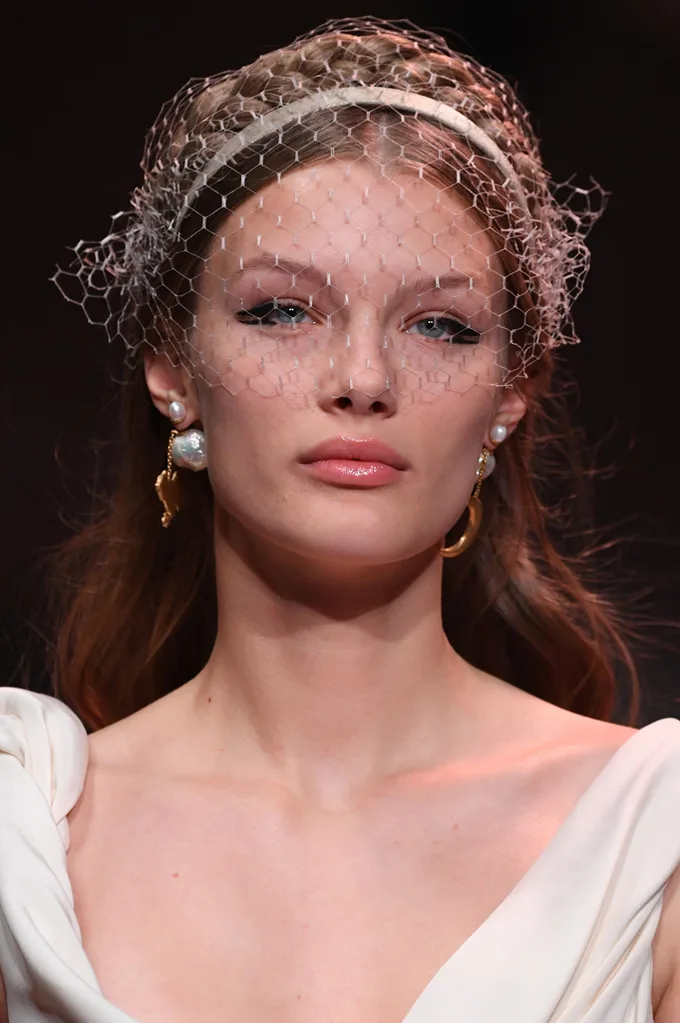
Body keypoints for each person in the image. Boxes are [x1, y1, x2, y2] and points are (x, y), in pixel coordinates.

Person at [0, 16, 678, 1023]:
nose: (361, 380)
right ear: (173, 370)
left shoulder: (650, 846)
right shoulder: (26, 836)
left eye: (439, 326)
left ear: (508, 395)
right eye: (281, 310)